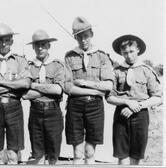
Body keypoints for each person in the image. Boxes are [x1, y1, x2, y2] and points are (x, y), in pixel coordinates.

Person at [64, 16, 114, 164]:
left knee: (90, 152)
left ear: (91, 34)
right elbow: (67, 86)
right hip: (75, 106)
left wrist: (85, 83)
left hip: (95, 107)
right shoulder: (69, 56)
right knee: (78, 153)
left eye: (86, 36)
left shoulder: (102, 56)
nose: (83, 40)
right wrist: (94, 91)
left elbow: (109, 86)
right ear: (75, 38)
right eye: (79, 37)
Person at [106, 34, 161, 165]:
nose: (129, 55)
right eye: (125, 52)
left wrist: (138, 105)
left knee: (136, 156)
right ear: (121, 53)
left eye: (131, 51)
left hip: (140, 115)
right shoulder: (116, 72)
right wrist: (127, 102)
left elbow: (157, 97)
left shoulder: (147, 71)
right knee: (122, 156)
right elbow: (109, 97)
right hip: (121, 114)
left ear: (138, 50)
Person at [0, 23, 31, 164]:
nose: (4, 43)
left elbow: (26, 84)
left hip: (14, 107)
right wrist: (13, 86)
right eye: (1, 40)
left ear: (12, 41)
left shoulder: (20, 60)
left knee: (12, 155)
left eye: (7, 40)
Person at [23, 29, 64, 165]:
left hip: (53, 111)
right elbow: (25, 94)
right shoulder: (28, 67)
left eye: (43, 44)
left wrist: (34, 85)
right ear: (33, 47)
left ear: (49, 46)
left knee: (53, 155)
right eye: (37, 45)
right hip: (35, 111)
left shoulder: (57, 65)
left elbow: (58, 90)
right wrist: (48, 89)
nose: (40, 48)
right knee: (37, 154)